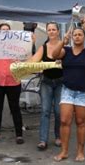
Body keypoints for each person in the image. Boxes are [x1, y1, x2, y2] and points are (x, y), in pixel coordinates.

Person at [52, 16, 85, 162]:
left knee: (80, 122)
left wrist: (84, 26)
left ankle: (80, 151)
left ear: (84, 37)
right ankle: (64, 151)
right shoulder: (65, 50)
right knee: (64, 120)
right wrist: (63, 41)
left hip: (84, 92)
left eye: (80, 35)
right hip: (68, 90)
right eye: (75, 34)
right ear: (71, 37)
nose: (77, 36)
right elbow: (54, 55)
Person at [27, 22, 64, 151]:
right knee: (45, 111)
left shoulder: (64, 46)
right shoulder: (43, 48)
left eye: (54, 29)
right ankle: (43, 140)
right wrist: (30, 46)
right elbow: (32, 62)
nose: (52, 31)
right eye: (49, 30)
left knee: (59, 112)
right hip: (46, 82)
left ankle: (58, 137)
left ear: (58, 31)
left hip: (60, 82)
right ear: (47, 32)